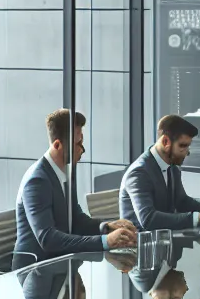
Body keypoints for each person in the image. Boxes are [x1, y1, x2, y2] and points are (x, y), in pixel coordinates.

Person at [13, 109, 137, 260]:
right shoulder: (37, 181)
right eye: (78, 143)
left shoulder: (63, 173)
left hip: (61, 264)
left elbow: (76, 220)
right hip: (35, 271)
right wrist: (105, 241)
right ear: (57, 145)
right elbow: (48, 239)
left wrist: (107, 228)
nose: (83, 150)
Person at [120, 114, 200, 231]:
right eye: (182, 146)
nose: (187, 152)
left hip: (164, 241)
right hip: (139, 245)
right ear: (166, 142)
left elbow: (182, 202)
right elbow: (148, 219)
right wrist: (197, 218)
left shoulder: (172, 167)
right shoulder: (138, 173)